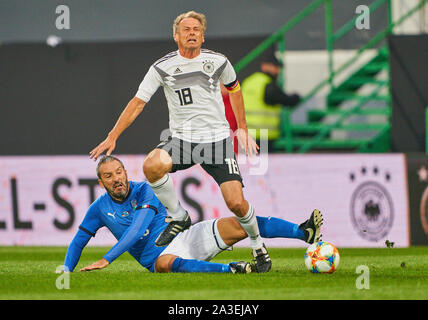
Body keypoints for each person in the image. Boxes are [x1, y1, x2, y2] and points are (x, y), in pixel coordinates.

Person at [89, 11, 274, 272]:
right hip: (182, 141)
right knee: (152, 166)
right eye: (186, 29)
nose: (192, 33)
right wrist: (113, 135)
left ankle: (257, 245)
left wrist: (242, 128)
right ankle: (178, 215)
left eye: (197, 29)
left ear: (203, 35)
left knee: (236, 203)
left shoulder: (218, 61)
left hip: (217, 142)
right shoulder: (162, 67)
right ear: (176, 35)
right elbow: (138, 103)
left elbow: (234, 89)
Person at [61, 156, 323, 274]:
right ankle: (231, 269)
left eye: (119, 172)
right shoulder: (98, 209)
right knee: (163, 265)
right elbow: (79, 239)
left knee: (240, 222)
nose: (116, 178)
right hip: (161, 258)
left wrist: (107, 259)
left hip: (188, 237)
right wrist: (66, 269)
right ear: (101, 183)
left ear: (125, 172)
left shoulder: (145, 190)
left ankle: (303, 232)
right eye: (109, 176)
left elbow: (136, 230)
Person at [241, 48, 301, 152]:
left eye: (278, 68)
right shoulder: (268, 84)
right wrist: (296, 97)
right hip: (264, 136)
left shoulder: (249, 81)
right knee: (264, 165)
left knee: (249, 165)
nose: (277, 70)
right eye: (275, 67)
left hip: (246, 134)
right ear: (264, 66)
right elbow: (284, 99)